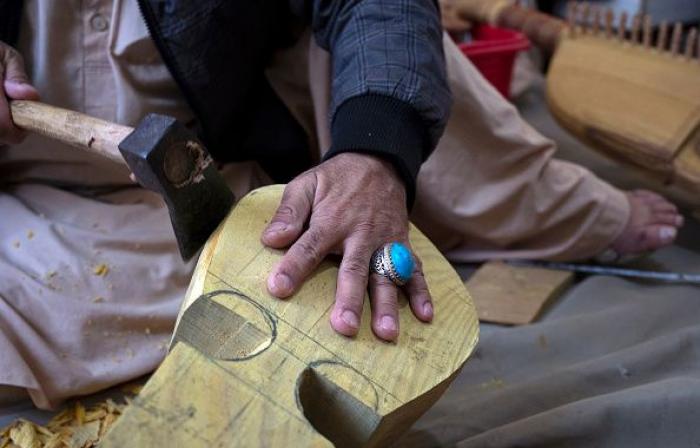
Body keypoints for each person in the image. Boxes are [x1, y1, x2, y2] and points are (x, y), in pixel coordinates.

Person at [0, 0, 683, 409]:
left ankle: (529, 205)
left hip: (238, 127)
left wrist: (376, 151)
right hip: (26, 196)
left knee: (405, 70)